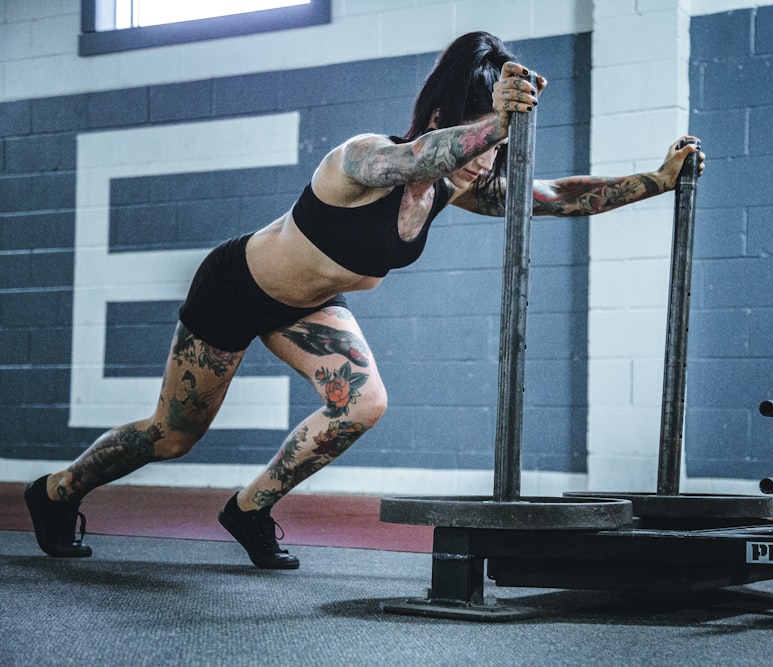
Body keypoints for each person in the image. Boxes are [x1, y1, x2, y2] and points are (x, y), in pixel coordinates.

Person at [24, 31, 705, 569]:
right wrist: (495, 125)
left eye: (492, 151)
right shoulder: (366, 160)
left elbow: (554, 197)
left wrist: (657, 179)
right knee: (172, 436)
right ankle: (55, 491)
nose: (483, 167)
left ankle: (249, 507)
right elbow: (418, 160)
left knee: (364, 402)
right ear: (442, 119)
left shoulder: (459, 181)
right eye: (476, 141)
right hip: (235, 290)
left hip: (305, 307)